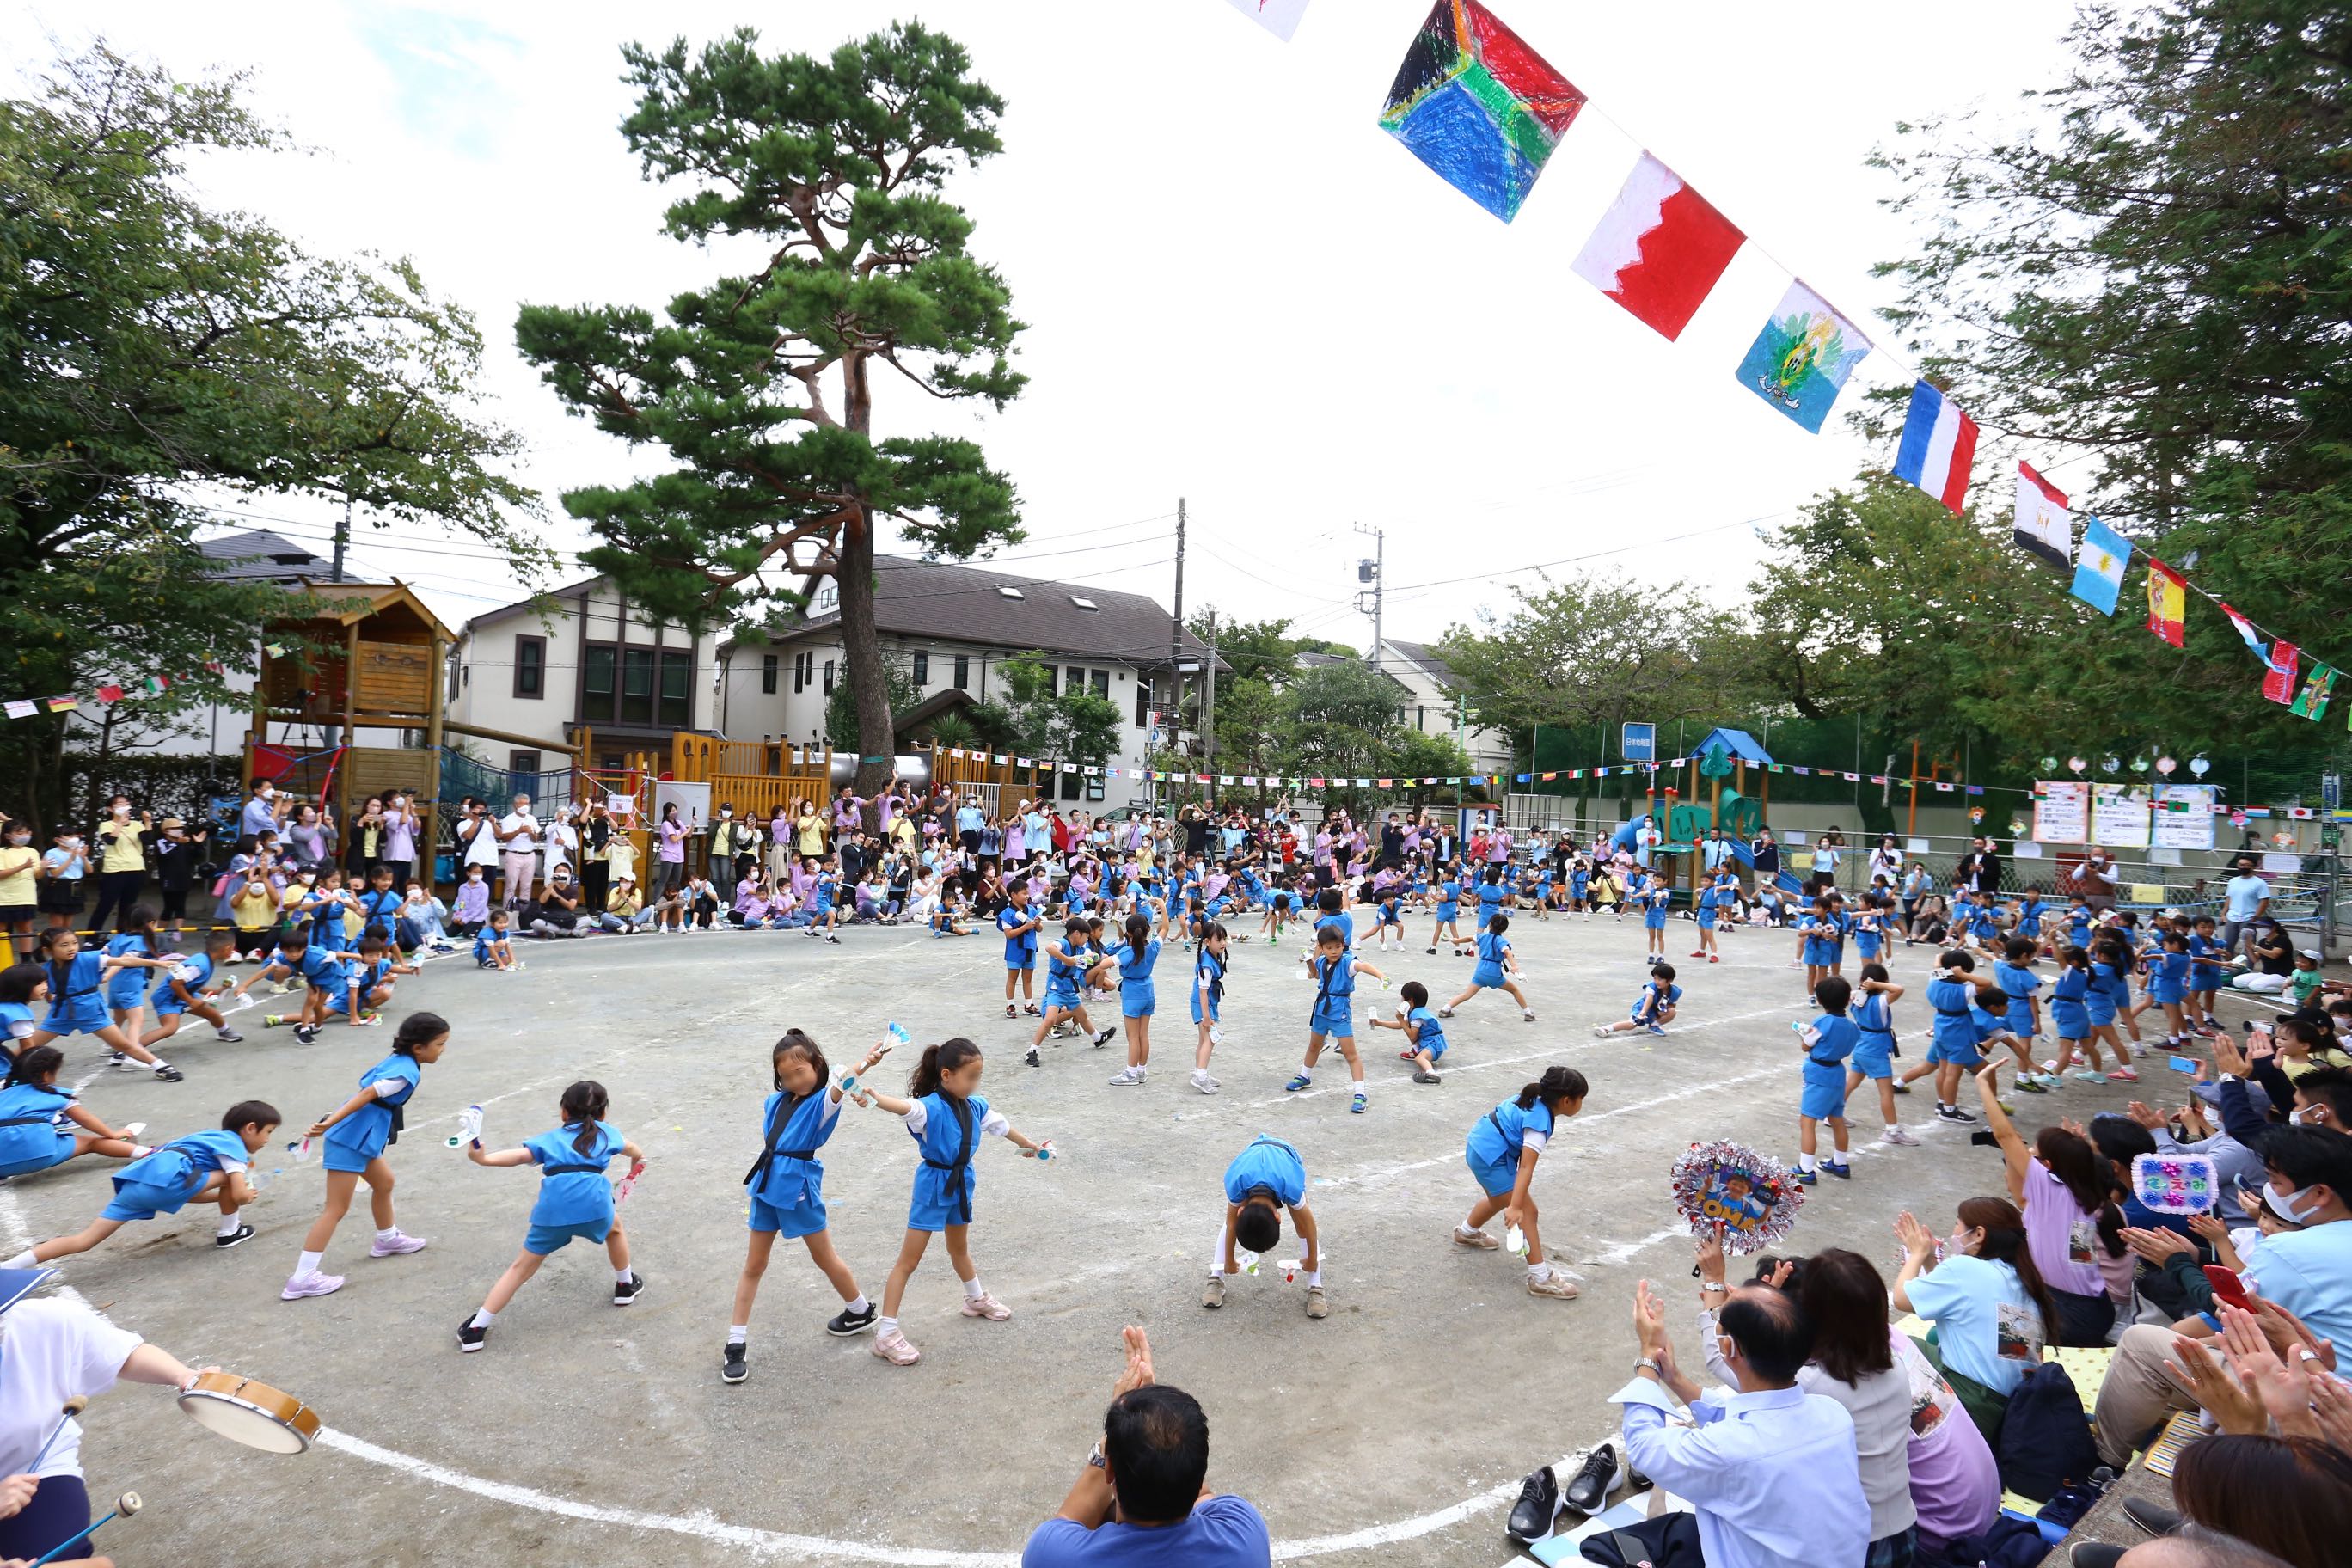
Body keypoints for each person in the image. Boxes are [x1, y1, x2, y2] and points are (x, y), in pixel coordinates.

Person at [2092, 1124, 2352, 1466]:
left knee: (2139, 1343)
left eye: (2275, 1182)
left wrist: (2177, 1262)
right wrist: (2198, 1256)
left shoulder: (2291, 1249)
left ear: (2320, 1194)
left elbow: (2227, 1308)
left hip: (2325, 1414)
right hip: (2329, 1386)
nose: (2268, 1192)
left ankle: (2104, 1464)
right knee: (2183, 1348)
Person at [1614, 1274, 1870, 1568]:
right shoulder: (1834, 1414)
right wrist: (1676, 1379)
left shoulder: (1728, 1450)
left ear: (1728, 1348)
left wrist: (1648, 1356)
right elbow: (1755, 1425)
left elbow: (1643, 1446)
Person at [1694, 1241, 1922, 1568]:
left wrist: (1718, 1285)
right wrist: (1768, 1307)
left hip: (1854, 1545)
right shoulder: (1894, 1366)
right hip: (1905, 1531)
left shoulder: (1812, 1386)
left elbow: (1722, 1356)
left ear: (1814, 1316)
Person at [852, 1037, 1050, 1367]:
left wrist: (1030, 1145)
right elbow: (904, 1107)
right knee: (908, 1262)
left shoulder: (975, 1106)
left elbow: (1001, 1126)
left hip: (962, 1182)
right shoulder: (929, 1108)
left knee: (959, 1249)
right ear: (946, 1075)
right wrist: (875, 1098)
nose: (974, 1084)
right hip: (933, 1185)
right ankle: (886, 1334)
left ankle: (975, 1299)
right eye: (970, 1077)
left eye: (978, 1077)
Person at [0, 1268, 213, 1564]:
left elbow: (120, 1353)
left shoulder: (41, 1321)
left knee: (68, 1559)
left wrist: (184, 1376)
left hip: (34, 1464)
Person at [1020, 1326, 1271, 1567]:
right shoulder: (1244, 1534)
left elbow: (1067, 1521)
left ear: (1108, 1469)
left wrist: (1116, 1434)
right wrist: (1156, 1416)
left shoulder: (1051, 1557)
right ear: (1200, 1470)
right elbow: (1202, 1495)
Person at [724, 1031, 894, 1382]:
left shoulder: (823, 1103)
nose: (794, 1081)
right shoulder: (775, 1102)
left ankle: (860, 1310)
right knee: (754, 1264)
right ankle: (735, 1342)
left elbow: (842, 1083)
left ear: (817, 1065)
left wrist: (867, 1061)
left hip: (797, 1188)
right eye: (786, 1076)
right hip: (766, 1185)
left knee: (824, 1257)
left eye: (800, 1071)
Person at [457, 1080, 645, 1351]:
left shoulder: (549, 1140)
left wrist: (483, 1159)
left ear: (564, 1112)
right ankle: (625, 1285)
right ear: (603, 1113)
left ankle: (477, 1328)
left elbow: (519, 1156)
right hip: (596, 1208)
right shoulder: (610, 1134)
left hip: (553, 1213)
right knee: (614, 1229)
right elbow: (638, 1154)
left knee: (521, 1268)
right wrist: (631, 1176)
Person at [283, 1013, 447, 1301]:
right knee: (335, 1209)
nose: (443, 1050)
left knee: (384, 1183)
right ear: (419, 1047)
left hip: (363, 1137)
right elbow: (367, 1094)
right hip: (352, 1139)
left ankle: (387, 1239)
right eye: (440, 1044)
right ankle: (302, 1279)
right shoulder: (403, 1073)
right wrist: (329, 1123)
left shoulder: (402, 1060)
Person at [3, 1101, 279, 1268]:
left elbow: (182, 1191)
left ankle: (11, 1266)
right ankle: (229, 1232)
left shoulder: (205, 1137)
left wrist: (224, 1194)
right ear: (250, 1128)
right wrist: (246, 1194)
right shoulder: (234, 1148)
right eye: (268, 1132)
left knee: (83, 1240)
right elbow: (237, 1195)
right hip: (173, 1182)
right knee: (234, 1177)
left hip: (139, 1183)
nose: (267, 1140)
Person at [1971, 1063, 2123, 1344]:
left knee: (1990, 1330)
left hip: (2071, 1316)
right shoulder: (2084, 1193)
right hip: (2093, 1308)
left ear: (2049, 1166)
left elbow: (2005, 1135)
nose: (2027, 1153)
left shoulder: (2053, 1192)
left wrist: (1983, 1084)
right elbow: (2020, 1196)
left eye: (2034, 1152)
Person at [1891, 1197, 2058, 1442]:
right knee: (1935, 1336)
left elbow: (1900, 1298)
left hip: (1971, 1404)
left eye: (1957, 1224)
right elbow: (1957, 1298)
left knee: (1892, 1342)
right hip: (2013, 1408)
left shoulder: (1966, 1268)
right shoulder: (2023, 1277)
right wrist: (1929, 1260)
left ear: (1979, 1234)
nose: (1954, 1233)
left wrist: (1916, 1254)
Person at [1455, 1066, 1588, 1299]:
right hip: (1491, 1156)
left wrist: (1512, 1202)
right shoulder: (1539, 1123)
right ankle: (1540, 1279)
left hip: (1480, 1146)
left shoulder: (1534, 1097)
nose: (1581, 1104)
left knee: (1498, 1199)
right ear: (1566, 1101)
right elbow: (1526, 1167)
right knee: (1527, 1211)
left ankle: (1466, 1232)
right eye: (1581, 1099)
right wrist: (1516, 1206)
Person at [1204, 1135, 1325, 1319]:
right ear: (1278, 1217)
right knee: (1231, 1222)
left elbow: (1310, 1225)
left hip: (1285, 1159)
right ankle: (1215, 1278)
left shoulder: (1291, 1185)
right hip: (1250, 1162)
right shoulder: (1236, 1183)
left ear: (1278, 1217)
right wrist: (1228, 1260)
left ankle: (1316, 1286)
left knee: (1302, 1224)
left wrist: (1312, 1260)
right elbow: (1231, 1223)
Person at [0, 1047, 147, 1181]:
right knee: (92, 1143)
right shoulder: (56, 1094)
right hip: (40, 1154)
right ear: (46, 1075)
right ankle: (147, 1153)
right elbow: (85, 1119)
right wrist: (113, 1134)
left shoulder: (3, 1095)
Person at [1284, 922, 1383, 1114]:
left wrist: (1381, 976)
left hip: (1339, 1011)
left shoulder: (1348, 962)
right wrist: (1308, 960)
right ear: (1321, 948)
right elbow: (1315, 975)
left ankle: (1360, 1094)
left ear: (1343, 944)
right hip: (1321, 1009)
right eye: (1329, 948)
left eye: (1337, 946)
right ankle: (1305, 1077)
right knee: (1314, 1046)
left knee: (1350, 1054)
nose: (1334, 951)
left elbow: (1363, 966)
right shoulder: (1322, 961)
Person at [1441, 911, 1534, 1023]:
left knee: (1467, 995)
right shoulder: (1501, 941)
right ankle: (1528, 1013)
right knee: (1514, 990)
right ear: (1504, 928)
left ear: (1490, 924)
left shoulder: (1483, 936)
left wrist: (1456, 940)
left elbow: (1470, 938)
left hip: (1480, 971)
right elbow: (1508, 953)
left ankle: (1446, 1009)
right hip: (1493, 972)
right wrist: (1514, 966)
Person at [1368, 979, 1447, 1085]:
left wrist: (1400, 1018)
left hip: (1434, 1044)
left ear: (1410, 1000)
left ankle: (1432, 1073)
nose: (1401, 1000)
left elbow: (1412, 1037)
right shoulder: (1414, 1012)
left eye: (1402, 997)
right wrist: (1379, 1023)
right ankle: (1416, 1051)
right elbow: (1401, 1025)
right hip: (1428, 1041)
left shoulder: (1417, 1017)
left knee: (1420, 1059)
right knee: (1418, 1049)